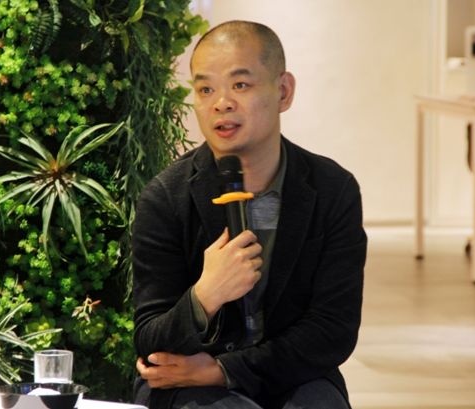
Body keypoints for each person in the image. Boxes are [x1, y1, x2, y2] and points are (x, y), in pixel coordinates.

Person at [132, 20, 367, 409]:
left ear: (283, 91)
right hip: (185, 382)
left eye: (240, 84)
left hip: (294, 373)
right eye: (206, 89)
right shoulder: (166, 197)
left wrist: (224, 370)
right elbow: (150, 339)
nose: (221, 103)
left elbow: (332, 330)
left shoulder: (332, 189)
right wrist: (205, 296)